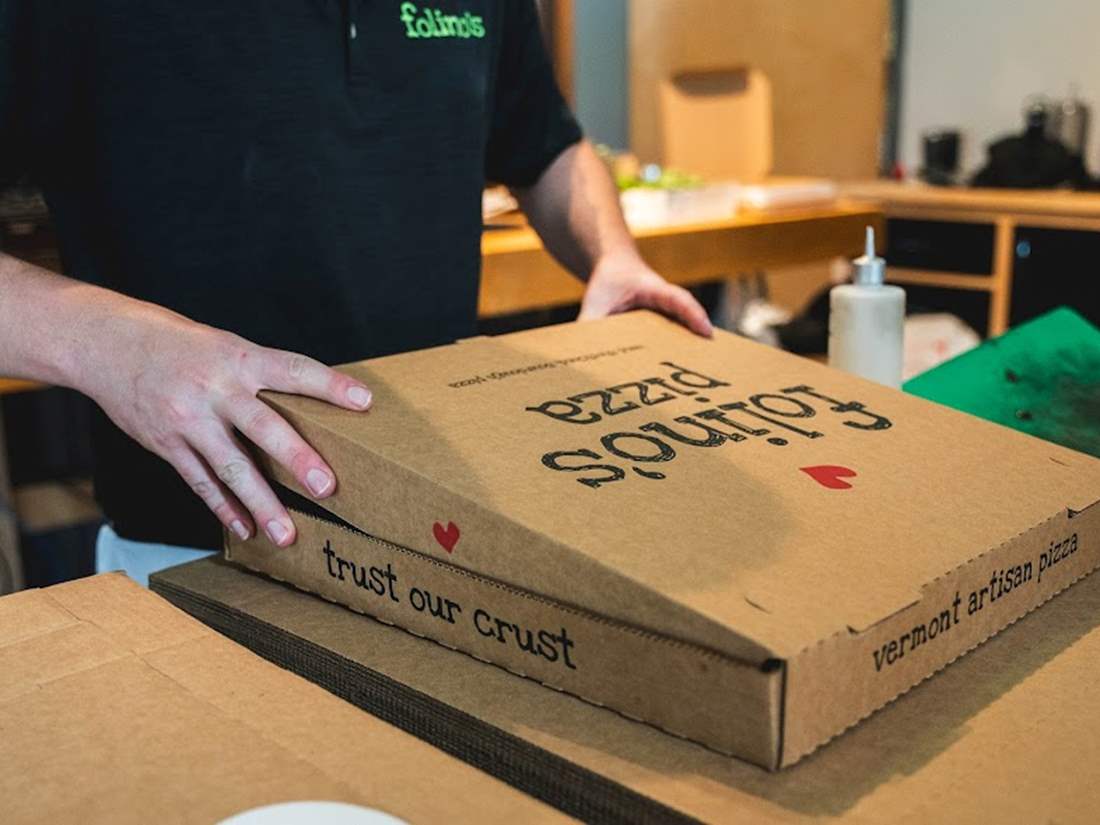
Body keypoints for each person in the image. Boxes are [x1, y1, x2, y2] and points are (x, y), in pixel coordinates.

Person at [0, 1, 711, 584]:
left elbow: (546, 143)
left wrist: (611, 255)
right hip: (198, 557)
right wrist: (111, 346)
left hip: (442, 539)